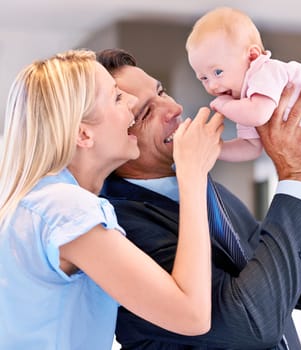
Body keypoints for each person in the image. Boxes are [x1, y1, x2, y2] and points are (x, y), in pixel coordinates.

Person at [97, 48, 301, 350]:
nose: (174, 108)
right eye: (146, 112)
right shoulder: (117, 229)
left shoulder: (208, 192)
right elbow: (251, 324)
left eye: (161, 91)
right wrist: (294, 176)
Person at [0, 49, 226, 349]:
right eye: (117, 97)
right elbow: (192, 316)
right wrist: (192, 175)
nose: (131, 104)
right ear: (83, 135)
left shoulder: (38, 202)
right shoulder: (66, 209)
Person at [185, 7, 301, 226]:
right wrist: (218, 148)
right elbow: (251, 147)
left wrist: (222, 105)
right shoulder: (245, 102)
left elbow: (259, 114)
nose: (212, 86)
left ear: (252, 56)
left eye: (218, 72)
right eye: (203, 78)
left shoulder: (264, 71)